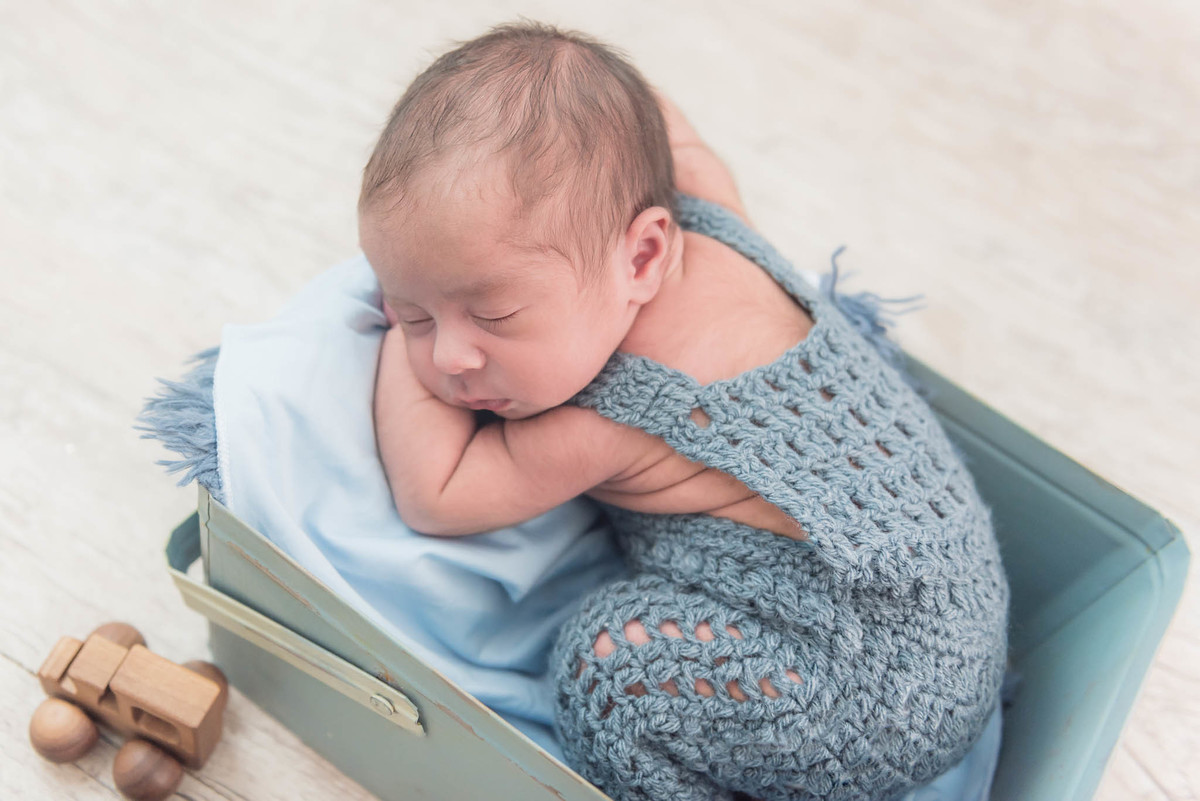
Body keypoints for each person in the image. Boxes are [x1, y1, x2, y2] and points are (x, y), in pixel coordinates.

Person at [358, 20, 1009, 801]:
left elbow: (438, 493)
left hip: (860, 705)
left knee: (604, 669)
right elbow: (664, 128)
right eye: (415, 314)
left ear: (642, 255)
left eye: (491, 317)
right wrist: (575, 110)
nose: (451, 357)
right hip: (959, 606)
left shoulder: (613, 414)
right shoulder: (712, 217)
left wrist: (397, 341)